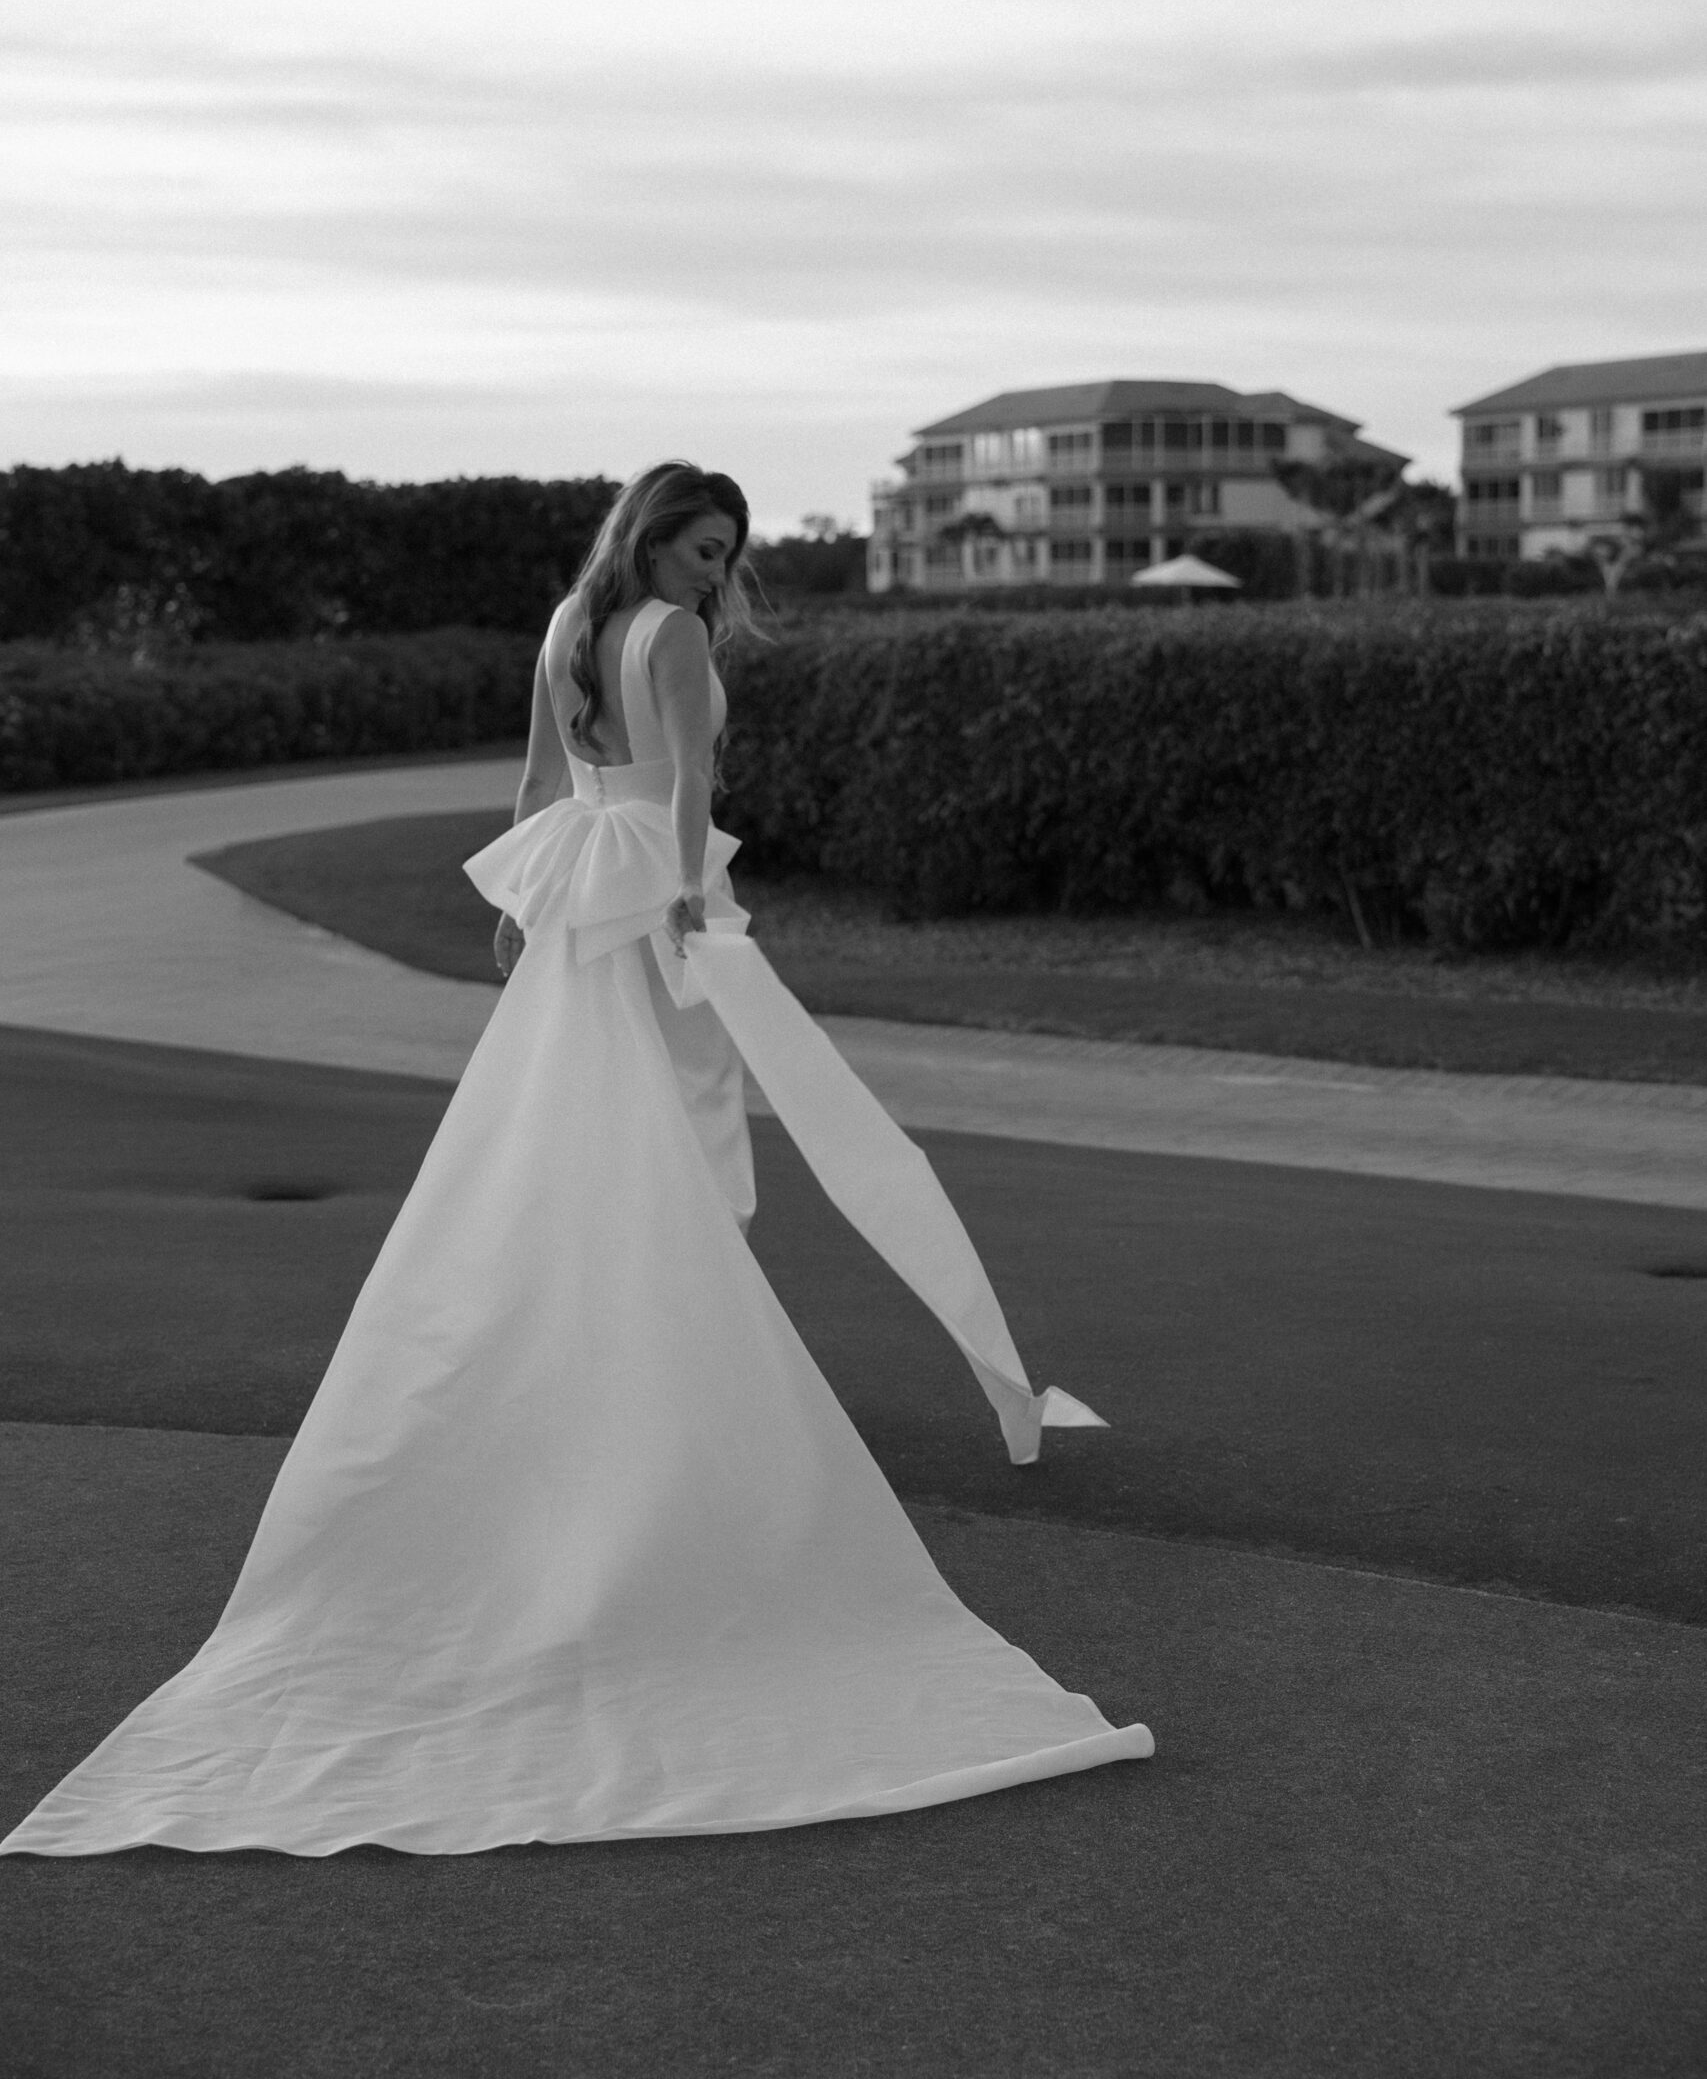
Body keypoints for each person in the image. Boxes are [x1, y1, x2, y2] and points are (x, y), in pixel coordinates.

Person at [2, 462, 1151, 1857]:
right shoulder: (663, 635)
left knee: (591, 1134)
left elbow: (544, 776)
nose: (718, 576)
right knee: (691, 1141)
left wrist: (525, 889)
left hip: (580, 895)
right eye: (704, 548)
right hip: (652, 903)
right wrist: (684, 908)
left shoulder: (565, 620)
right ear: (656, 535)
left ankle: (618, 1341)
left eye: (729, 556)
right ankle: (669, 1365)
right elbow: (689, 787)